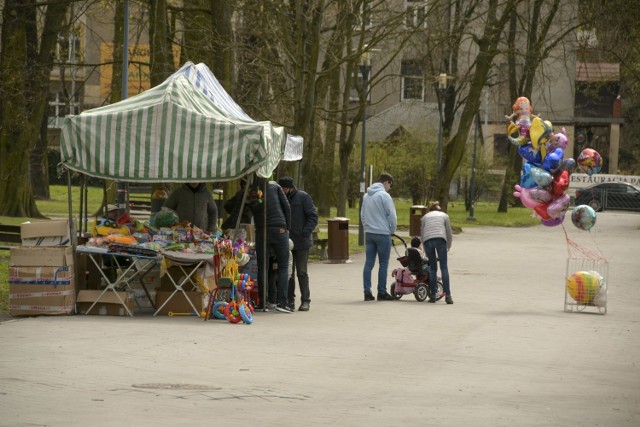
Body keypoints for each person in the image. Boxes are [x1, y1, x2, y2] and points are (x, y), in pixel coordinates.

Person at [248, 178, 292, 313]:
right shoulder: (275, 186)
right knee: (283, 266)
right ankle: (282, 302)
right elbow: (287, 207)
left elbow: (253, 210)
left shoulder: (253, 191)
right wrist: (286, 227)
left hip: (263, 231)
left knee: (263, 267)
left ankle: (263, 302)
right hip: (279, 229)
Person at [278, 176, 318, 312]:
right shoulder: (282, 198)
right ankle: (290, 300)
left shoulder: (303, 197)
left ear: (288, 187)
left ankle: (305, 300)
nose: (282, 191)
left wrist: (305, 231)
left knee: (301, 271)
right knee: (289, 272)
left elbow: (313, 216)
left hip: (301, 241)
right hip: (287, 241)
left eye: (283, 188)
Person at [361, 172, 397, 301]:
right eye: (390, 185)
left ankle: (367, 291)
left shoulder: (366, 196)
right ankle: (381, 292)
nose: (389, 188)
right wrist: (392, 230)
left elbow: (362, 214)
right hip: (382, 233)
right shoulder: (384, 196)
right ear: (386, 182)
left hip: (369, 233)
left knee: (369, 263)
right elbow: (392, 215)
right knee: (383, 263)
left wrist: (366, 226)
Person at [420, 201, 453, 304]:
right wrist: (449, 245)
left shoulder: (425, 217)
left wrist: (424, 248)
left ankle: (433, 295)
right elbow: (448, 232)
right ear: (439, 209)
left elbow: (422, 232)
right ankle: (448, 296)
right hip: (440, 239)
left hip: (428, 240)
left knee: (433, 268)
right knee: (444, 267)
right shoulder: (444, 216)